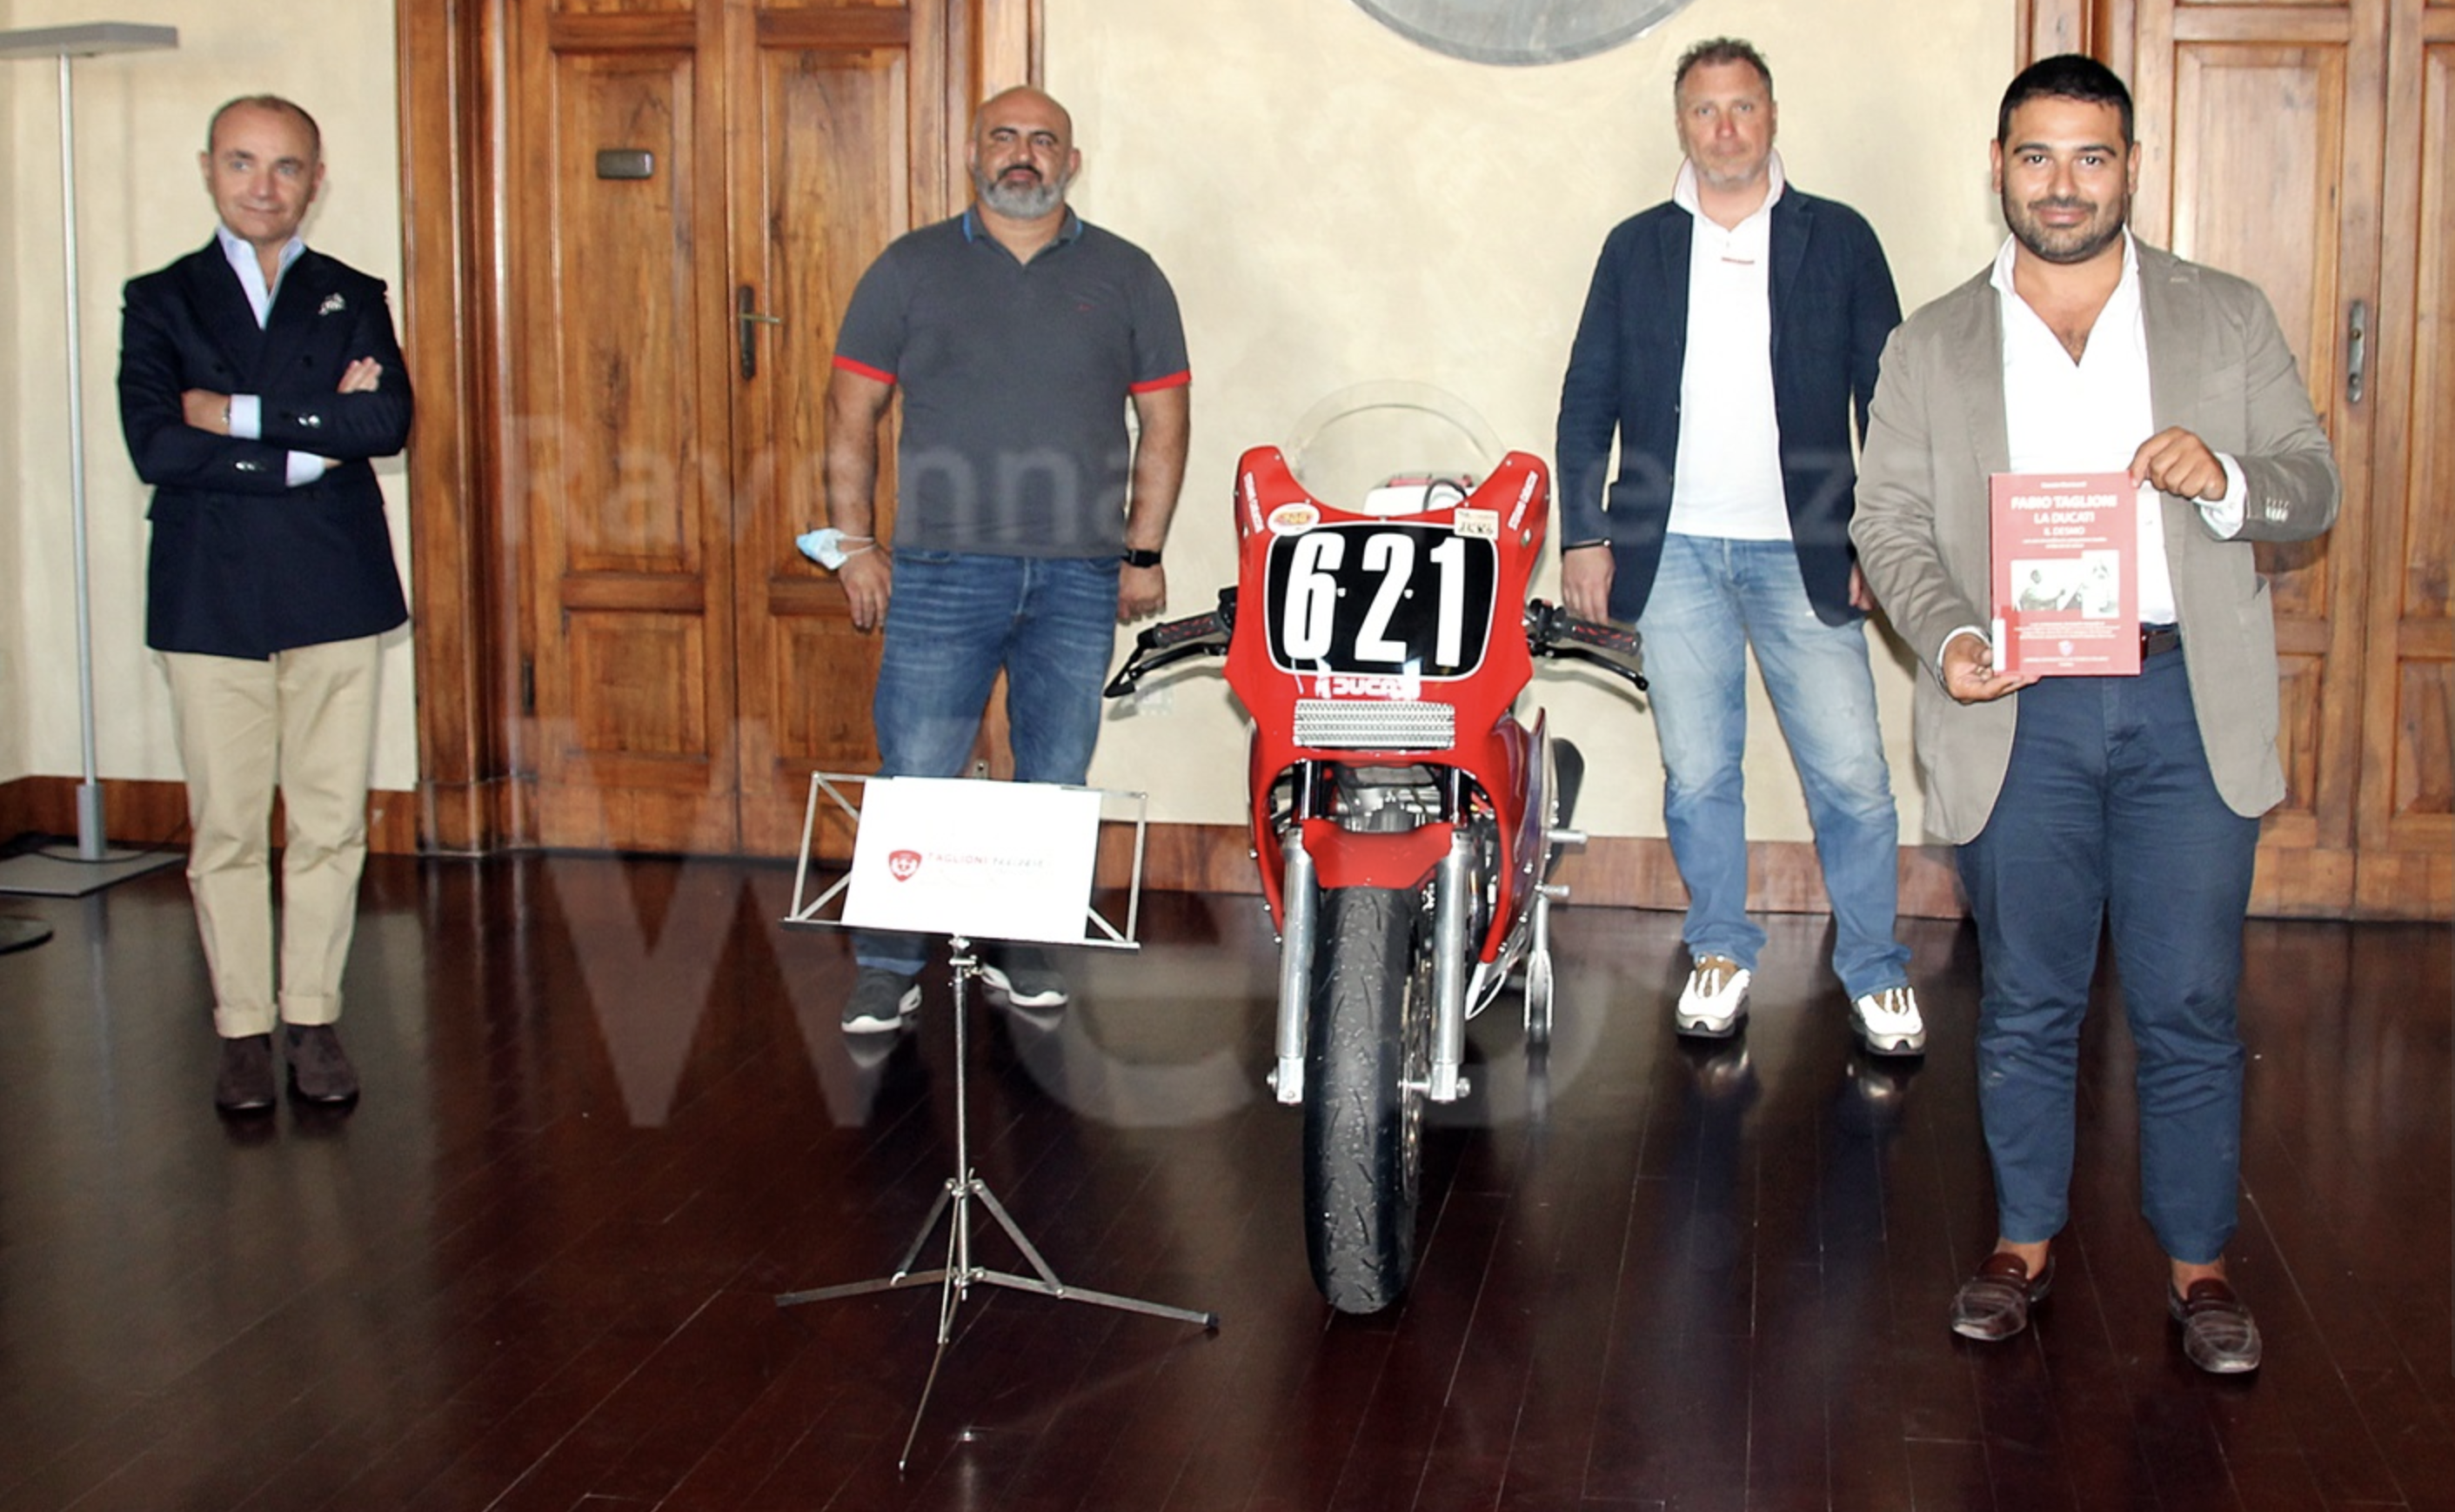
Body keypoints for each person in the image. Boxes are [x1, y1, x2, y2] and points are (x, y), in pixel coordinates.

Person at [1850, 55, 2338, 1375]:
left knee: (2186, 1000)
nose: (2060, 185)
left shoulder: (2222, 315)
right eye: (2035, 156)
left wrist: (2224, 475)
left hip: (2184, 702)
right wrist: (1950, 637)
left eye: (2089, 157)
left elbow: (2311, 485)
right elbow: (1886, 523)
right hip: (2019, 710)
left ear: (2130, 167)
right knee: (2025, 998)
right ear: (1997, 168)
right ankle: (2020, 1244)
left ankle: (2199, 1265)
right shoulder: (1930, 343)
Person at [1554, 37, 1921, 1054]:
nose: (1724, 129)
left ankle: (1874, 966)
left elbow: (1889, 406)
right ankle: (1718, 946)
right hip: (1667, 551)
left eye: (1741, 107)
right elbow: (1585, 401)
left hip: (1806, 550)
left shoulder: (1837, 238)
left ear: (1771, 115)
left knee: (1851, 773)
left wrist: (1882, 540)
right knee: (1699, 770)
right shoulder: (1634, 248)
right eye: (1704, 110)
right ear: (1681, 124)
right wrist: (1582, 534)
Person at [817, 85, 1190, 1035]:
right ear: (972, 154)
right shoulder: (908, 268)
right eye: (1004, 138)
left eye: (1044, 141)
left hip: (1078, 573)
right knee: (917, 768)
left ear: (1072, 161)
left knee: (1056, 770)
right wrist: (852, 546)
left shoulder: (1129, 274)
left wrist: (1142, 550)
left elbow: (1164, 421)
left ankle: (1024, 947)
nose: (1023, 155)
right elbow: (850, 414)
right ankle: (889, 964)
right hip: (941, 569)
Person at [117, 96, 413, 1114]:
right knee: (229, 831)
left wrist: (232, 414)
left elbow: (385, 422)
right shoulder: (160, 299)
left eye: (286, 166)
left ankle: (313, 1017)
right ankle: (243, 1027)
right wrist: (304, 445)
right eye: (242, 162)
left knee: (330, 821)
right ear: (208, 168)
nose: (263, 185)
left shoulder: (350, 294)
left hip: (334, 586)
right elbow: (156, 443)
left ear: (315, 181)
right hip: (210, 594)